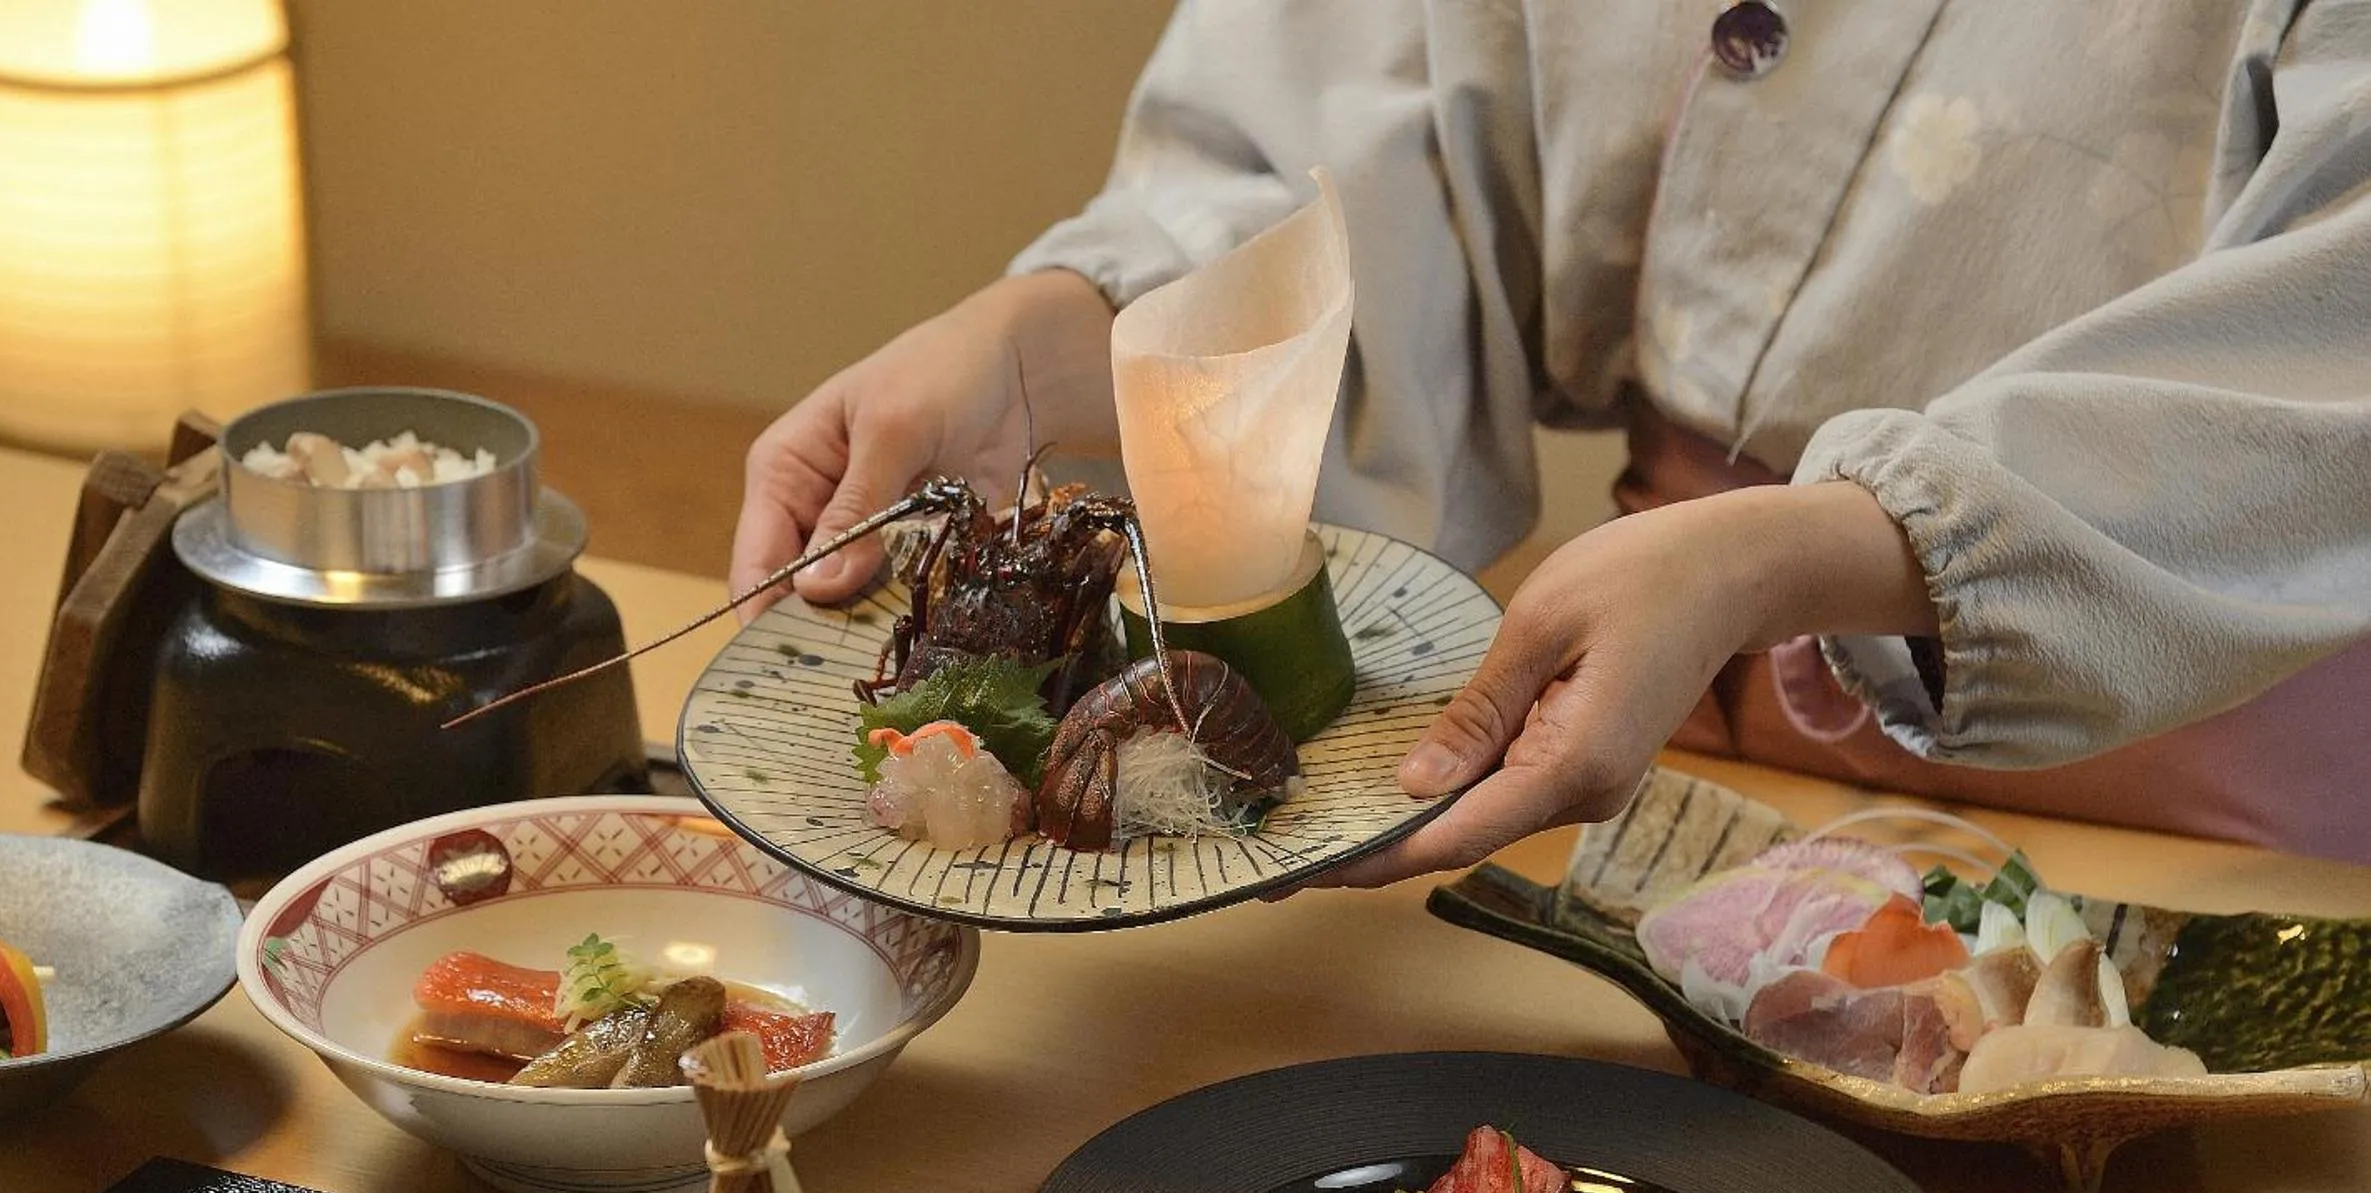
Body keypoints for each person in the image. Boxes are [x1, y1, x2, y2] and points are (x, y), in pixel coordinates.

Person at [731, 1, 2371, 875]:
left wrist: (1798, 551)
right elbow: (1358, 159)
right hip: (1655, 768)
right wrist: (1073, 342)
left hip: (2186, 779)